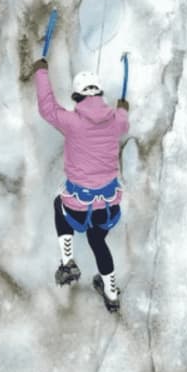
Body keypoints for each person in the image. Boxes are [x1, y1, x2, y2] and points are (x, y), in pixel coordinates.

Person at [33, 57, 129, 312]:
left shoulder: (72, 122)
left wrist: (41, 71)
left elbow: (47, 109)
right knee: (97, 240)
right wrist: (123, 108)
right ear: (100, 93)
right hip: (110, 206)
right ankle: (111, 292)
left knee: (59, 205)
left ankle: (67, 264)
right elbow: (123, 121)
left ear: (77, 96)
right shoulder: (116, 121)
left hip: (79, 203)